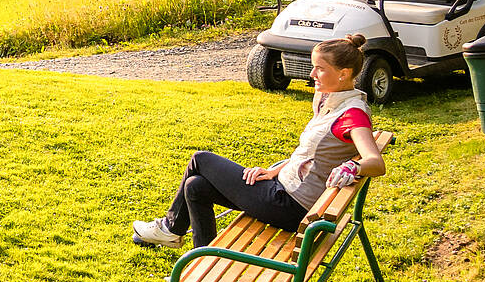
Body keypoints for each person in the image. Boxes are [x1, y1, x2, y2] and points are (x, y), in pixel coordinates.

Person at [132, 33, 387, 250]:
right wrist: (274, 171)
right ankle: (204, 261)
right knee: (196, 186)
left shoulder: (352, 114)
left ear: (344, 73)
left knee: (200, 160)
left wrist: (353, 167)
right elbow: (310, 156)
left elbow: (375, 162)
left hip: (291, 206)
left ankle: (169, 228)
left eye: (320, 68)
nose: (312, 74)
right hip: (285, 191)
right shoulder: (328, 99)